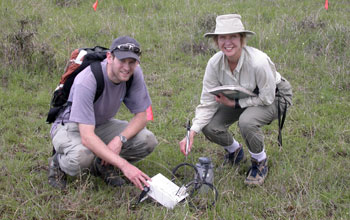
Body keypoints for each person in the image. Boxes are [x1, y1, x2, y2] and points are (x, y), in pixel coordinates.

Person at [179, 14, 292, 186]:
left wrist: (236, 104)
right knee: (209, 126)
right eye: (222, 37)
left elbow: (267, 98)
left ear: (242, 39)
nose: (228, 42)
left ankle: (259, 162)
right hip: (242, 96)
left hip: (275, 96)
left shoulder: (258, 62)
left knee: (247, 122)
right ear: (216, 41)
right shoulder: (214, 64)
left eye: (233, 36)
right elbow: (207, 102)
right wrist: (192, 132)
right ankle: (235, 151)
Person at [48, 36, 158, 190]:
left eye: (132, 62)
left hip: (100, 123)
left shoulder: (134, 73)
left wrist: (119, 140)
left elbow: (142, 116)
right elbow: (87, 137)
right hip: (71, 126)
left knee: (147, 140)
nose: (127, 68)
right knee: (82, 158)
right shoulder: (87, 80)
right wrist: (124, 166)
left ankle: (103, 165)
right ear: (109, 57)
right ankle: (58, 163)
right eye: (122, 61)